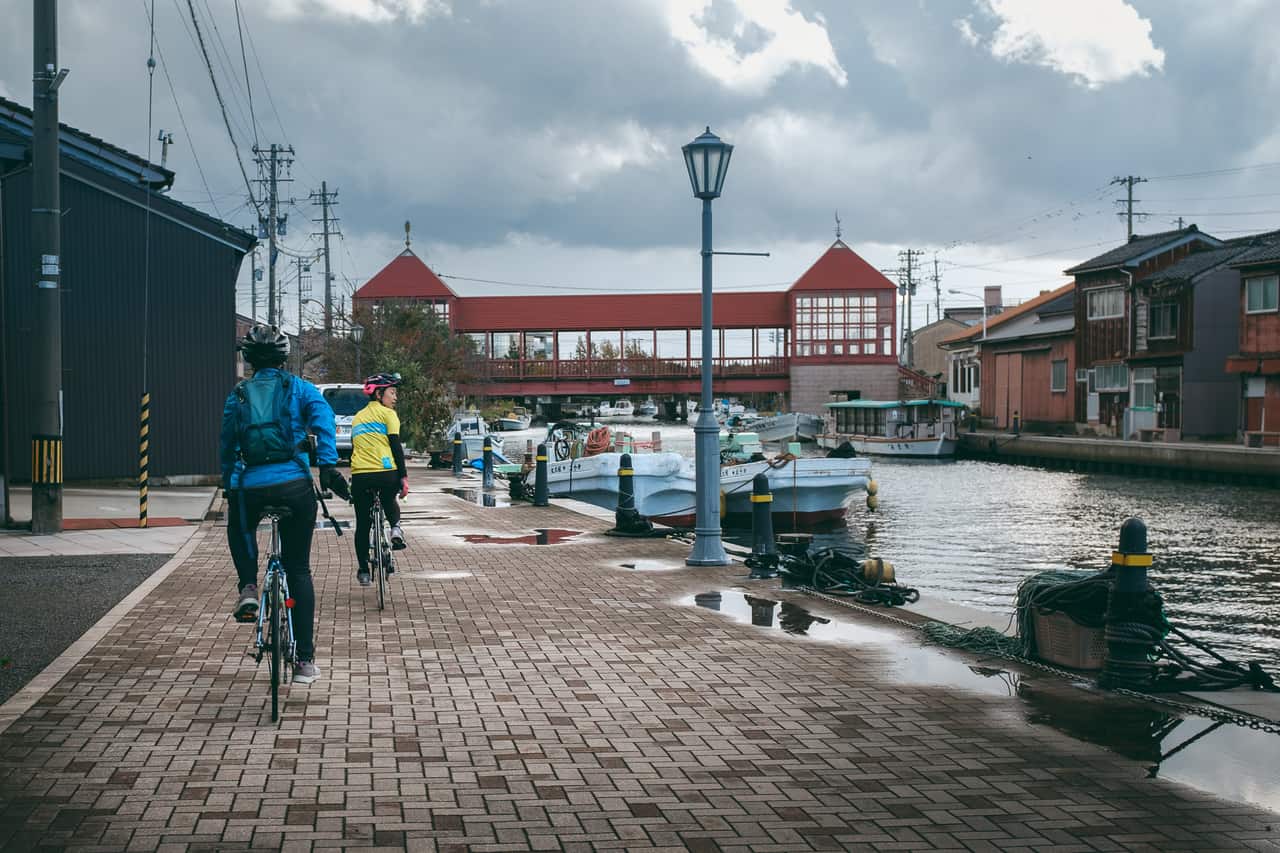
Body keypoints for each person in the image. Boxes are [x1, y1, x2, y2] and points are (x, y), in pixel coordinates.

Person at [220, 325, 350, 685]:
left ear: (248, 360)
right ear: (283, 359)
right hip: (294, 485)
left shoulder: (239, 395)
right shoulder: (301, 388)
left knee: (240, 524)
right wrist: (326, 466)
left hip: (251, 486)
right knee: (299, 569)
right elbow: (324, 420)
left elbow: (227, 443)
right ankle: (305, 661)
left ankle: (247, 586)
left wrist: (230, 485)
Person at [350, 371, 409, 586]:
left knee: (363, 524)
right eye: (392, 393)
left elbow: (355, 448)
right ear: (378, 395)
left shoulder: (357, 417)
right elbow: (396, 447)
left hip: (361, 476)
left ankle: (364, 570)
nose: (395, 397)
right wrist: (403, 477)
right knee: (388, 499)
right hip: (386, 474)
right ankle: (395, 528)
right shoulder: (388, 415)